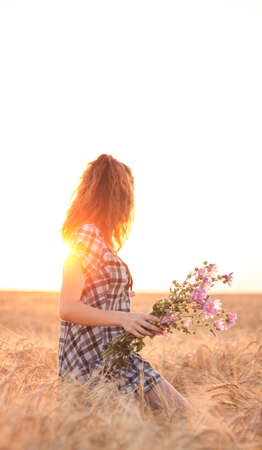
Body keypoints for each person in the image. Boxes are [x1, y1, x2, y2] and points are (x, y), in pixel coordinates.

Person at [58, 153, 191, 415]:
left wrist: (139, 321)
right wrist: (123, 319)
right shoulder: (85, 237)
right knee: (181, 415)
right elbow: (67, 307)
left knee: (178, 418)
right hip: (92, 364)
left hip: (118, 359)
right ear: (116, 195)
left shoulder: (101, 241)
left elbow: (102, 300)